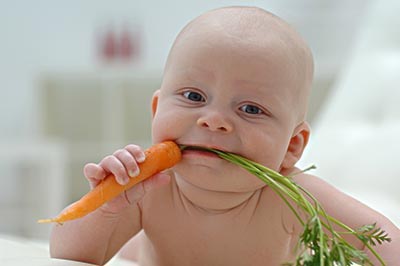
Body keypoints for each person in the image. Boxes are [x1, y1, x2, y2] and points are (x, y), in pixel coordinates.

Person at [49, 6, 400, 265]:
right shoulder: (149, 186)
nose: (214, 121)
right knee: (132, 252)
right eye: (193, 97)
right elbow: (69, 255)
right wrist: (109, 206)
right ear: (157, 111)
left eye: (250, 109)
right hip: (139, 253)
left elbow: (384, 242)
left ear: (292, 146)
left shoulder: (293, 196)